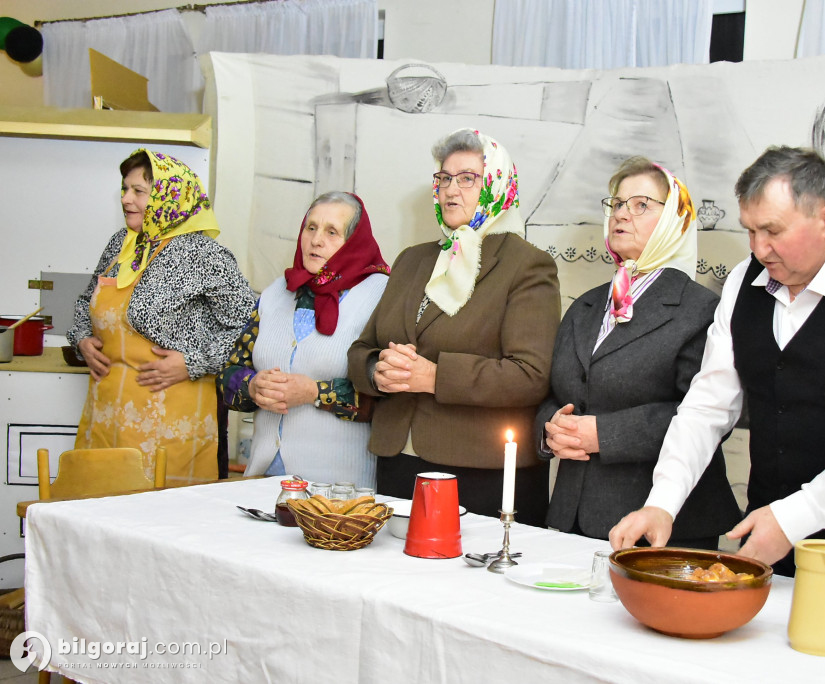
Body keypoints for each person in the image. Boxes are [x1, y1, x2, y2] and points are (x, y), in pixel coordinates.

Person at [609, 146, 825, 601]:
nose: (758, 248)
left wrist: (794, 517)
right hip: (771, 545)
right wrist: (662, 502)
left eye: (772, 231)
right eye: (750, 230)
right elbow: (707, 405)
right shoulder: (741, 283)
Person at [348, 128, 560, 526]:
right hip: (398, 461)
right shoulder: (412, 260)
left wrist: (435, 377)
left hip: (482, 471)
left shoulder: (526, 264)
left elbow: (532, 375)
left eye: (467, 179)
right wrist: (379, 370)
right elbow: (361, 351)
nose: (450, 190)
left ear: (497, 184)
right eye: (444, 178)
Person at [535, 156, 740, 547]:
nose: (621, 214)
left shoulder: (700, 309)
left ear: (674, 221)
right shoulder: (586, 306)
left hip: (663, 527)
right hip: (571, 515)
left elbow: (705, 414)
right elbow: (554, 395)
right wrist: (550, 430)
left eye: (641, 204)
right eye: (617, 204)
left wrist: (604, 435)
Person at [68, 148, 255, 486]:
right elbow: (85, 302)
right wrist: (82, 338)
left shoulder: (201, 254)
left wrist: (193, 362)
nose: (126, 199)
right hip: (107, 411)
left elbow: (247, 324)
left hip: (170, 416)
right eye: (124, 189)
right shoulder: (120, 245)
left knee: (156, 518)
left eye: (138, 191)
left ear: (169, 196)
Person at [218, 192, 389, 486]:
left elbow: (389, 394)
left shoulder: (381, 296)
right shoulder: (277, 292)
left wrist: (314, 392)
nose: (316, 240)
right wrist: (252, 386)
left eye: (332, 232)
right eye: (311, 227)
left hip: (339, 490)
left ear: (354, 242)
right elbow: (229, 374)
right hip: (264, 477)